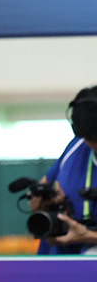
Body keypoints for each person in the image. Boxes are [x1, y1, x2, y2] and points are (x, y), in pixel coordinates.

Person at [32, 86, 97, 254]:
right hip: (58, 261)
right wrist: (43, 201)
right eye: (88, 138)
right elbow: (37, 198)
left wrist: (88, 236)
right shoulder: (77, 147)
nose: (91, 144)